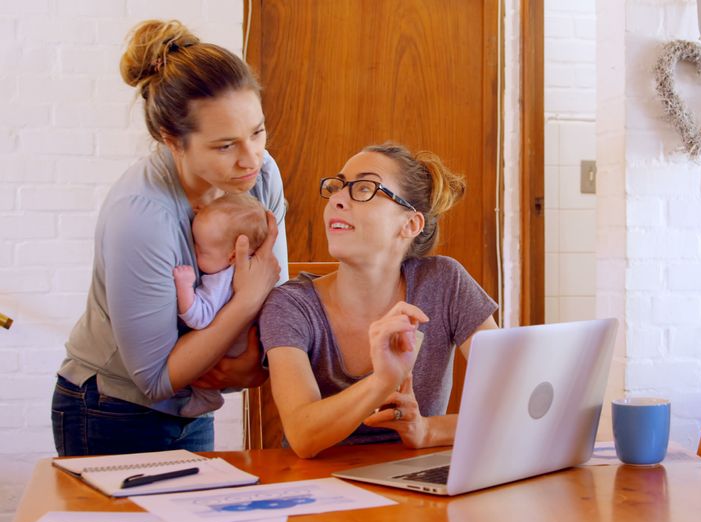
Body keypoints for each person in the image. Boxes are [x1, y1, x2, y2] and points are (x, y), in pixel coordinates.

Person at [51, 20, 288, 456]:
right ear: (172, 141)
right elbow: (156, 378)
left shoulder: (261, 175)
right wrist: (245, 302)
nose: (251, 158)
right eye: (224, 146)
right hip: (113, 411)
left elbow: (279, 298)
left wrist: (254, 366)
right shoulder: (142, 215)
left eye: (257, 132)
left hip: (193, 409)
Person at [259, 143, 498, 458]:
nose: (338, 199)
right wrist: (383, 381)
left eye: (364, 188)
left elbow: (514, 398)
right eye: (337, 186)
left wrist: (427, 431)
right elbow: (303, 435)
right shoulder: (289, 305)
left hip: (416, 490)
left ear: (410, 224)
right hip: (319, 489)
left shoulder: (444, 282)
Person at [173, 193, 270, 418]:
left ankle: (207, 398)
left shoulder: (221, 280)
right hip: (249, 342)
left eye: (201, 250)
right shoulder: (252, 267)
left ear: (232, 256)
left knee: (199, 367)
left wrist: (184, 286)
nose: (193, 252)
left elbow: (199, 317)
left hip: (232, 350)